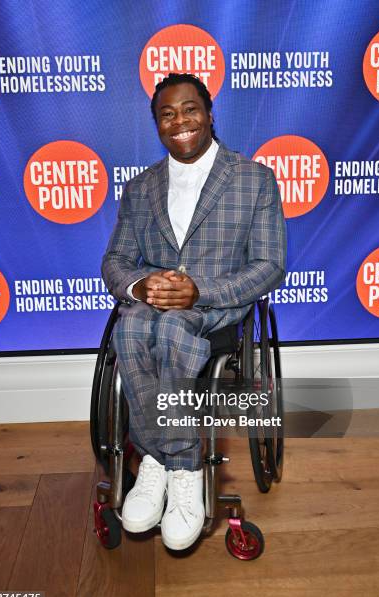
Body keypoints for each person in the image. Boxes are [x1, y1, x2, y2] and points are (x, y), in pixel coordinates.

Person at [102, 73, 286, 551]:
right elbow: (115, 261)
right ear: (157, 125)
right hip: (156, 309)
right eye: (167, 114)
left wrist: (198, 291)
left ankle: (181, 467)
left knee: (173, 332)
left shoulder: (253, 179)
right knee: (133, 327)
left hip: (217, 310)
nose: (179, 121)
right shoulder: (140, 188)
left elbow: (269, 266)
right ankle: (159, 463)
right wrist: (142, 285)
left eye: (190, 109)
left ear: (209, 115)